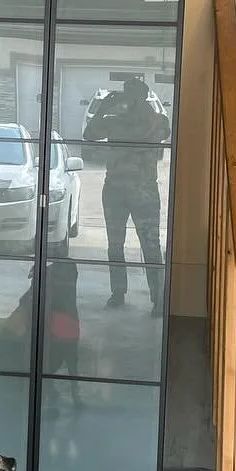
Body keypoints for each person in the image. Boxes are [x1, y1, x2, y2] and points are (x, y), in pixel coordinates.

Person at [82, 77, 169, 316]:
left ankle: (157, 299)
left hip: (140, 191)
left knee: (149, 246)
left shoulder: (153, 120)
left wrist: (110, 106)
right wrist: (105, 108)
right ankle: (120, 292)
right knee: (116, 244)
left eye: (130, 95)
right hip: (119, 190)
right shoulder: (119, 121)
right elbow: (89, 134)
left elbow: (164, 129)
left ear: (139, 97)